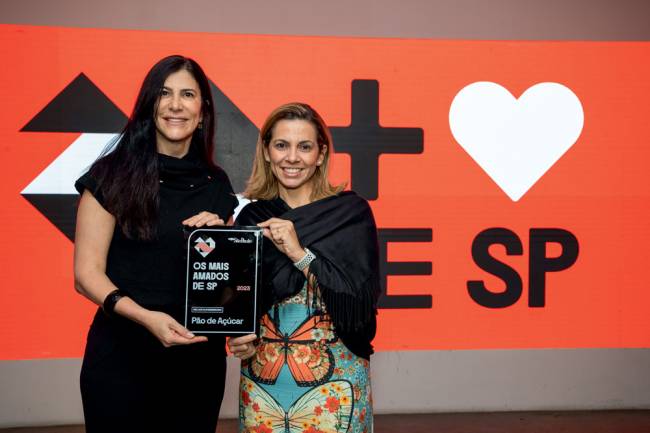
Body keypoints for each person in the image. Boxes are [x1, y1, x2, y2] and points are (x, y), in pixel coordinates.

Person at [73, 54, 256, 433]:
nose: (175, 105)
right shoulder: (111, 174)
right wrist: (146, 318)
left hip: (196, 363)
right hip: (122, 357)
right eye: (164, 93)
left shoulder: (217, 183)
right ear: (150, 105)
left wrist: (221, 238)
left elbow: (222, 282)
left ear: (203, 110)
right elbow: (85, 275)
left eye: (187, 94)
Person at [229, 102, 380, 433]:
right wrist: (236, 334)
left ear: (321, 154)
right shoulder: (251, 220)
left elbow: (360, 305)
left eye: (305, 146)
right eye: (281, 145)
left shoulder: (350, 215)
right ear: (267, 152)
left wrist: (299, 253)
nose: (292, 157)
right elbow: (238, 296)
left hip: (336, 389)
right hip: (263, 387)